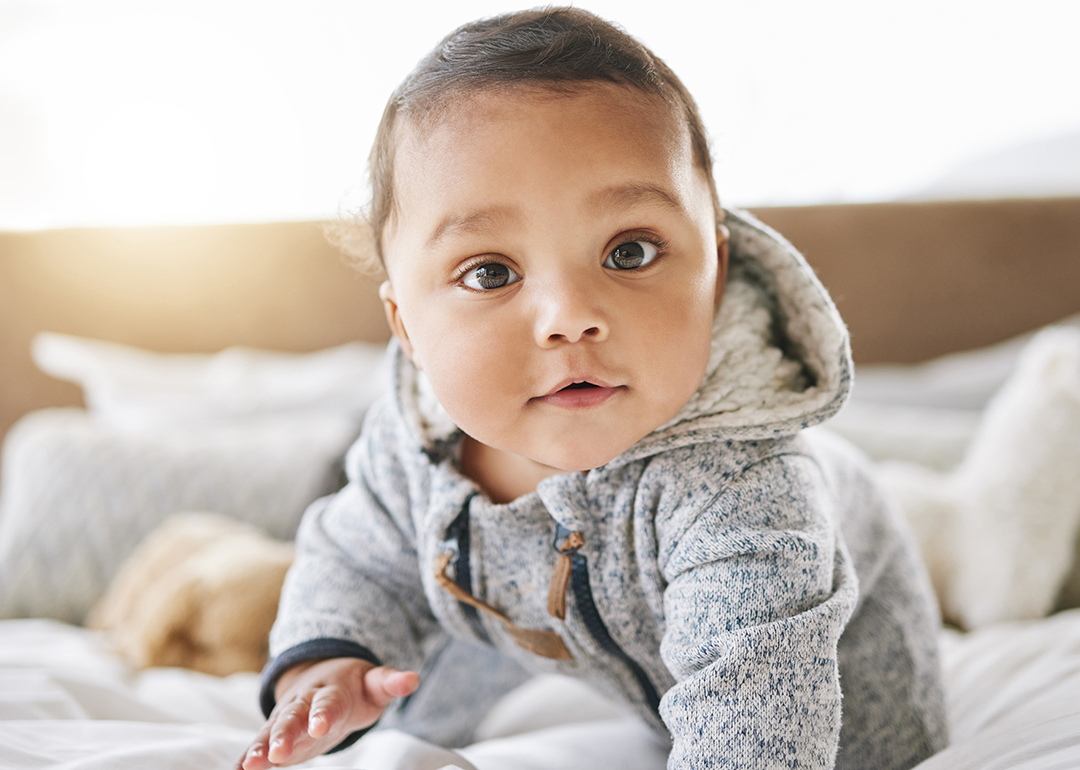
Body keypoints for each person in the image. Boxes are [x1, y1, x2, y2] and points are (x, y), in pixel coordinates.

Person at [239, 8, 948, 769]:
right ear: (406, 325)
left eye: (630, 251)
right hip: (624, 662)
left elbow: (758, 719)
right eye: (491, 273)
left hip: (838, 714)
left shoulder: (745, 491)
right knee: (427, 707)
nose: (570, 318)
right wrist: (327, 660)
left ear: (712, 277)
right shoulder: (416, 437)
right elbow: (358, 553)